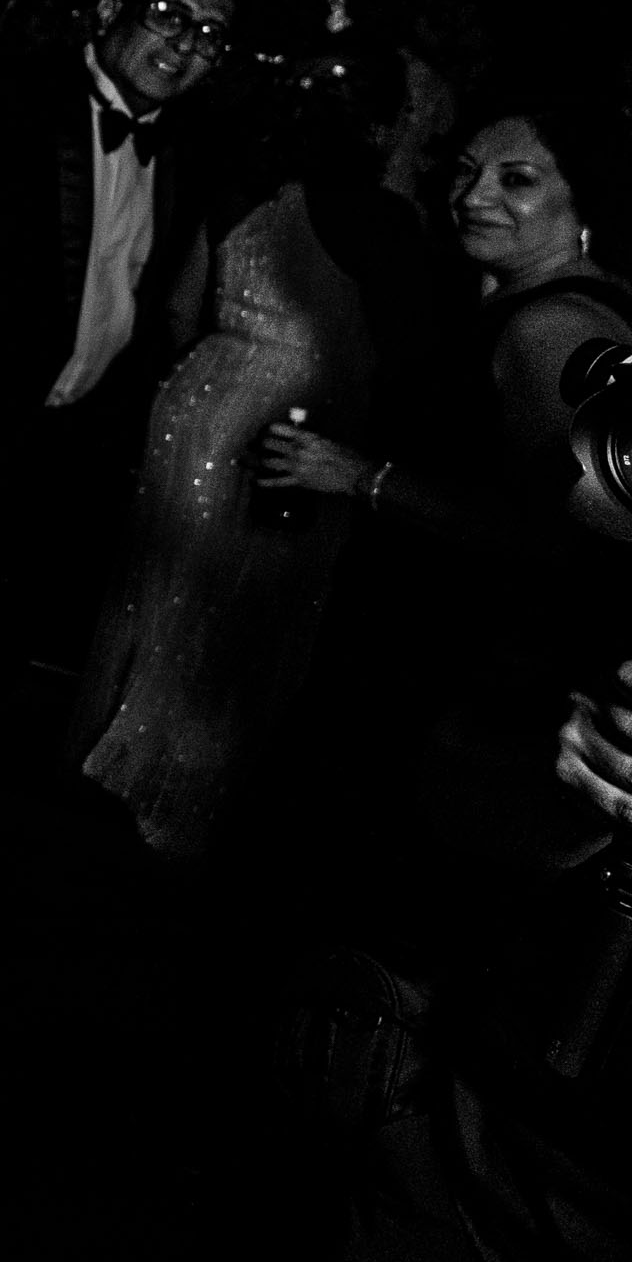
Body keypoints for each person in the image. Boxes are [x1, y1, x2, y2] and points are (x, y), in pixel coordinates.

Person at [257, 103, 632, 948]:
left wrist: (363, 476)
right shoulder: (533, 301)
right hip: (433, 660)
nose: (474, 196)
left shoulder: (551, 329)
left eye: (516, 178)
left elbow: (560, 537)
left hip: (442, 669)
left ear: (583, 200)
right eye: (465, 170)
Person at [71, 47, 434, 858]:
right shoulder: (381, 219)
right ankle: (176, 801)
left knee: (159, 589)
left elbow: (179, 310)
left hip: (199, 401)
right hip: (295, 428)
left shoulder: (241, 188)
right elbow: (410, 356)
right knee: (245, 614)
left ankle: (113, 764)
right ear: (381, 127)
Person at [0, 0, 240, 704]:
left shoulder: (191, 150)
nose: (185, 44)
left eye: (211, 35)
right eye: (169, 14)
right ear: (112, 7)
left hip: (61, 450)